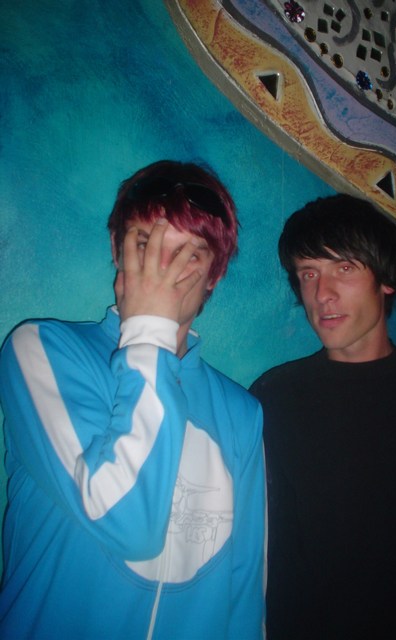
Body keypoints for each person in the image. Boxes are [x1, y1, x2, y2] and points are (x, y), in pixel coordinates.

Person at [0, 160, 266, 639]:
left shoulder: (242, 414)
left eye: (189, 254)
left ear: (214, 276)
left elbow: (243, 596)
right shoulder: (42, 351)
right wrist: (150, 333)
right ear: (115, 250)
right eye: (144, 244)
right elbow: (130, 524)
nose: (162, 269)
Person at [250, 194, 396, 640]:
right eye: (308, 273)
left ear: (386, 279)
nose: (322, 293)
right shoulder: (273, 398)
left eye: (344, 268)